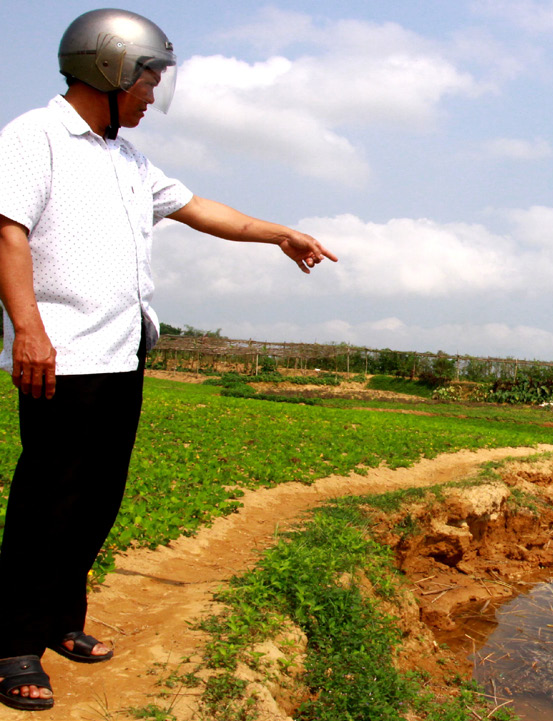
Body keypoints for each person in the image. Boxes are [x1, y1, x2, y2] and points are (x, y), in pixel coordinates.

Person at [0, 9, 337, 711]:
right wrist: (27, 329)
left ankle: (60, 618)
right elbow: (9, 233)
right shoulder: (36, 138)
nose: (153, 95)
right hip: (62, 354)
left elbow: (198, 208)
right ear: (110, 69)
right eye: (148, 80)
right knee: (47, 501)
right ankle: (13, 643)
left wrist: (278, 233)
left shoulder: (127, 159)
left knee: (97, 499)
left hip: (121, 353)